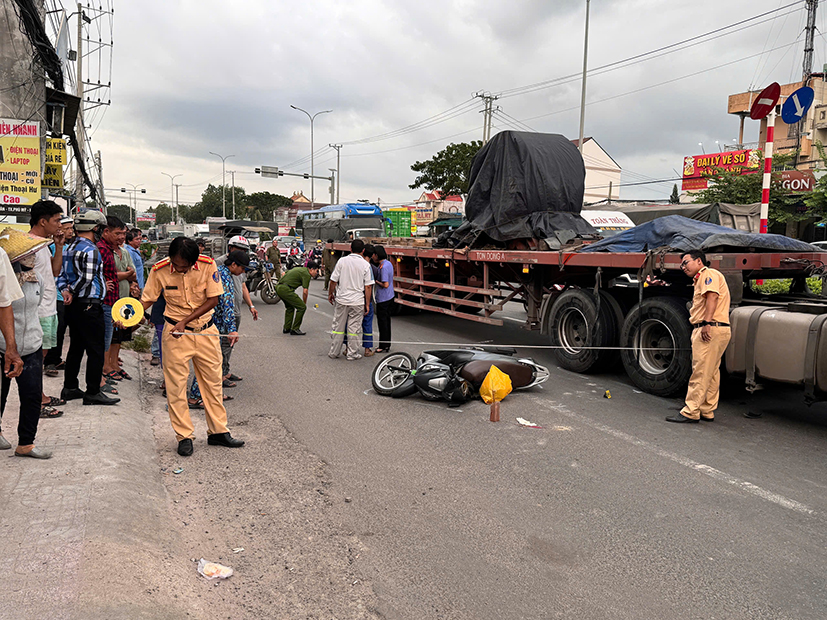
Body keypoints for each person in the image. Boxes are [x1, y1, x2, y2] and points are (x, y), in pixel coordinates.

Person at [140, 237, 244, 456]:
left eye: (184, 266)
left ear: (193, 261)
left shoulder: (208, 265)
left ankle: (218, 432)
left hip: (205, 332)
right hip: (175, 335)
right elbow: (147, 299)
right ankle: (184, 436)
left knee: (213, 384)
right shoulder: (159, 270)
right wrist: (128, 314)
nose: (179, 269)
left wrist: (185, 321)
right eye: (176, 265)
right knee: (176, 387)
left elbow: (213, 299)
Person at [55, 210, 118, 406]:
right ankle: (93, 391)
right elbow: (87, 278)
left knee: (76, 347)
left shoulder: (68, 247)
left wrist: (66, 290)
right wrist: (73, 291)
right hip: (90, 304)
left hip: (75, 306)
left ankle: (70, 387)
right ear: (96, 229)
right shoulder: (91, 250)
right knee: (96, 350)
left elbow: (62, 275)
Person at [0, 233, 55, 458]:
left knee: (32, 395)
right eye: (29, 253)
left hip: (32, 344)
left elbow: (36, 307)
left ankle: (26, 443)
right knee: (0, 394)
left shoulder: (36, 279)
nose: (34, 257)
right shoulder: (4, 279)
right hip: (3, 347)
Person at [666, 249, 732, 424]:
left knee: (701, 371)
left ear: (699, 262)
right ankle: (706, 409)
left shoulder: (707, 274)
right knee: (711, 371)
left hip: (710, 328)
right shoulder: (705, 277)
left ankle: (690, 411)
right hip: (719, 329)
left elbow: (712, 297)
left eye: (686, 262)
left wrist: (706, 323)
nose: (683, 267)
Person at [188, 250, 248, 406]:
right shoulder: (224, 277)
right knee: (210, 363)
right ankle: (196, 396)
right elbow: (227, 305)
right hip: (215, 327)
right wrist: (232, 329)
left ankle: (213, 394)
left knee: (214, 363)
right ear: (233, 264)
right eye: (242, 268)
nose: (243, 272)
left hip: (212, 325)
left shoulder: (219, 272)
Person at [29, 201, 64, 411]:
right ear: (43, 221)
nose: (60, 225)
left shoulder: (43, 244)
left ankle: (38, 395)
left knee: (41, 357)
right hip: (38, 310)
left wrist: (58, 246)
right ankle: (37, 399)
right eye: (57, 220)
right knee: (35, 358)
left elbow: (55, 271)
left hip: (49, 307)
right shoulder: (29, 245)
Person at [215, 235, 258, 385]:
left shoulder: (237, 268)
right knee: (219, 347)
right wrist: (231, 329)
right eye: (239, 250)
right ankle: (218, 378)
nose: (243, 253)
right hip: (223, 316)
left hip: (233, 312)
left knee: (228, 345)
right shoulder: (221, 269)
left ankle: (224, 372)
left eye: (244, 250)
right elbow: (226, 303)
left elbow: (243, 286)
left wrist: (251, 306)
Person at [98, 216, 135, 386]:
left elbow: (131, 272)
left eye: (123, 233)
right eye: (118, 233)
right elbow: (110, 276)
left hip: (123, 299)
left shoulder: (124, 252)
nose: (121, 237)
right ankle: (106, 367)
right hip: (109, 299)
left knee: (120, 335)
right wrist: (125, 275)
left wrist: (128, 276)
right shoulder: (103, 250)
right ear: (106, 231)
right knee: (108, 335)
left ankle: (113, 364)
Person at [328, 239, 374, 361]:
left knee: (338, 326)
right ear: (363, 251)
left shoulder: (342, 261)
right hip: (357, 301)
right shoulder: (366, 265)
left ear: (350, 249)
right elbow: (368, 286)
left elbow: (333, 280)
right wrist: (367, 304)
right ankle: (352, 353)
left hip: (342, 300)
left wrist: (330, 294)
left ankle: (334, 352)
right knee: (354, 329)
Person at [43, 216, 75, 373]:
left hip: (68, 293)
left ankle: (56, 359)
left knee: (62, 329)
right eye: (66, 228)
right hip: (55, 294)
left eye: (71, 228)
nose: (70, 231)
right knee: (57, 329)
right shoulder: (51, 247)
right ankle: (49, 361)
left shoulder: (69, 246)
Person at [276, 260, 319, 336]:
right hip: (286, 289)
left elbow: (283, 273)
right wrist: (303, 303)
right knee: (302, 308)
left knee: (290, 308)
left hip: (279, 287)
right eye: (316, 271)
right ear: (311, 269)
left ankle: (287, 328)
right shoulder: (307, 274)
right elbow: (305, 291)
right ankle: (295, 329)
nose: (316, 273)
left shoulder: (299, 269)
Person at [373, 245, 395, 353]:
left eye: (374, 254)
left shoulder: (383, 267)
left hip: (383, 298)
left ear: (377, 255)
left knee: (382, 323)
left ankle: (383, 345)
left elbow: (385, 284)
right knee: (387, 322)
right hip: (390, 296)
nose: (372, 257)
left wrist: (376, 281)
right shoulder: (389, 263)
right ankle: (387, 344)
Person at [361, 244, 378, 357]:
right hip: (366, 299)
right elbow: (369, 286)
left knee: (351, 324)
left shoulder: (355, 265)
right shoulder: (372, 268)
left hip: (354, 298)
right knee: (367, 324)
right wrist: (368, 303)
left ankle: (348, 348)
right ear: (372, 255)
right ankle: (367, 349)